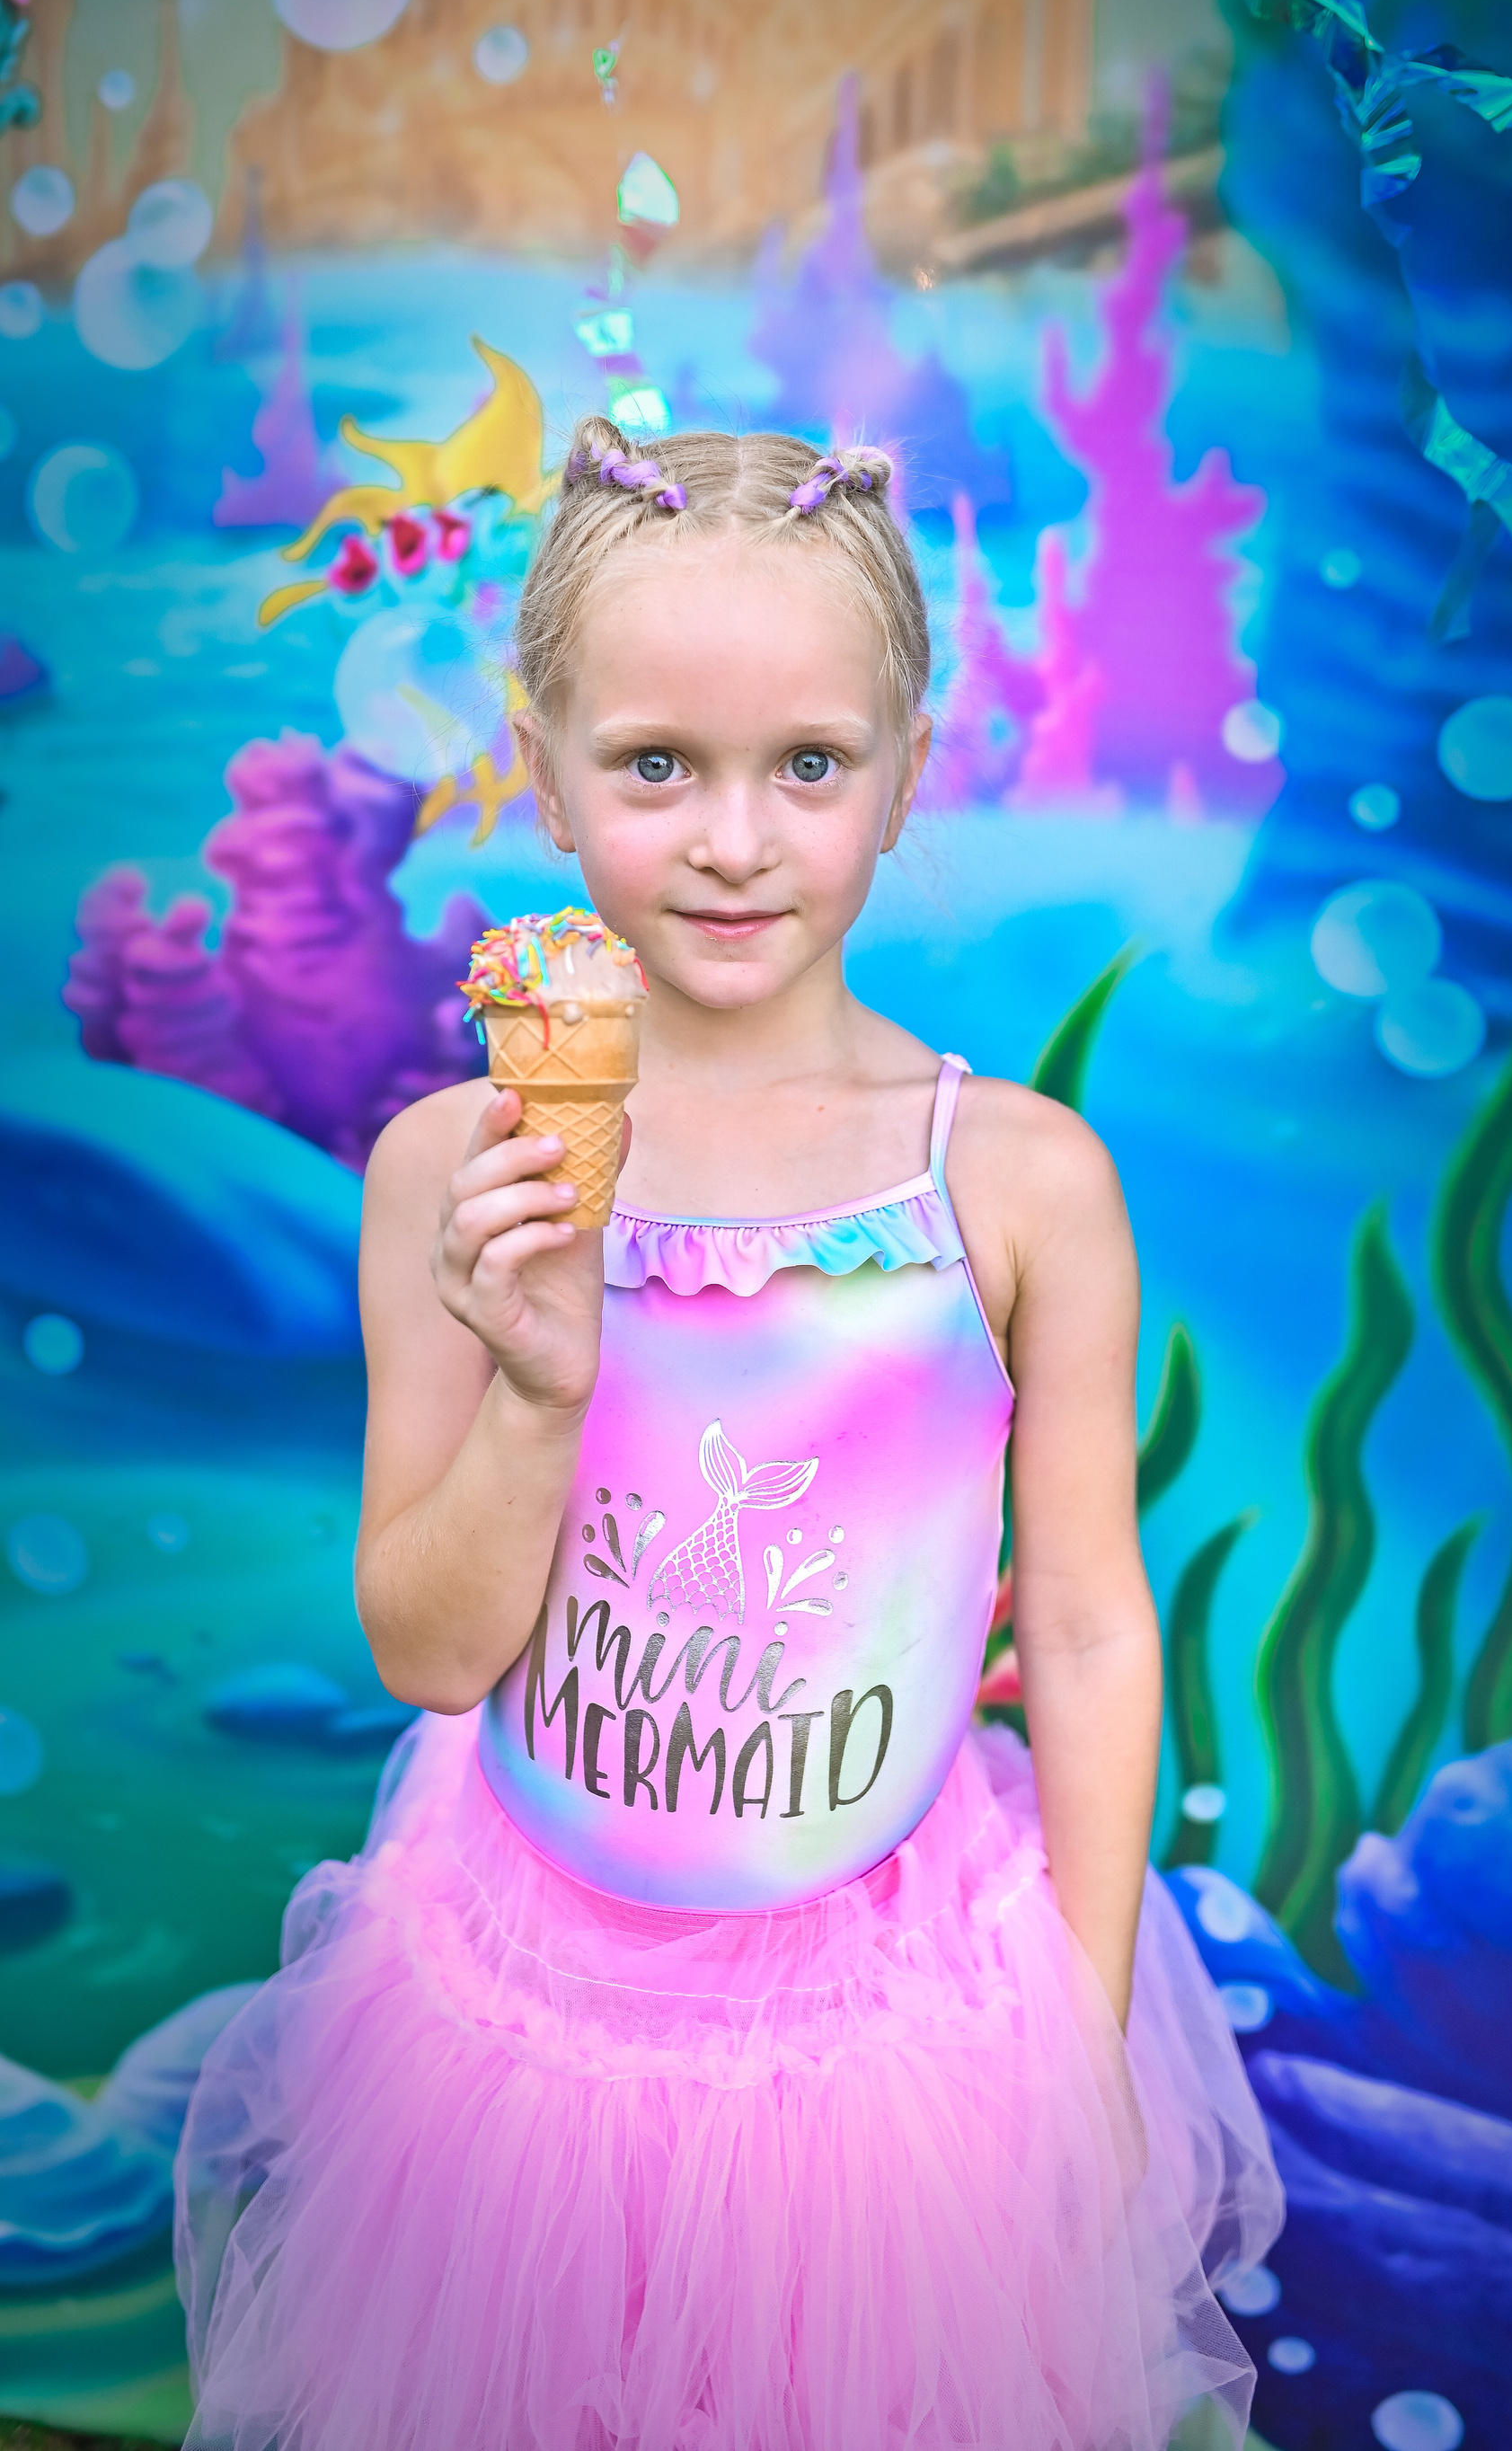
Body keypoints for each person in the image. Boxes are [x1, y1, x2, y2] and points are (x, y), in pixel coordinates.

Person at [174, 421, 1282, 2451]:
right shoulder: (454, 1171)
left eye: (812, 765)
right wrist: (541, 1382)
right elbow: (429, 1653)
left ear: (909, 767)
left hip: (887, 2030)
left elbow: (1090, 1626)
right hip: (517, 2015)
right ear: (544, 763)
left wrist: (1088, 2019)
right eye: (658, 765)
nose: (736, 842)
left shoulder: (1016, 1181)